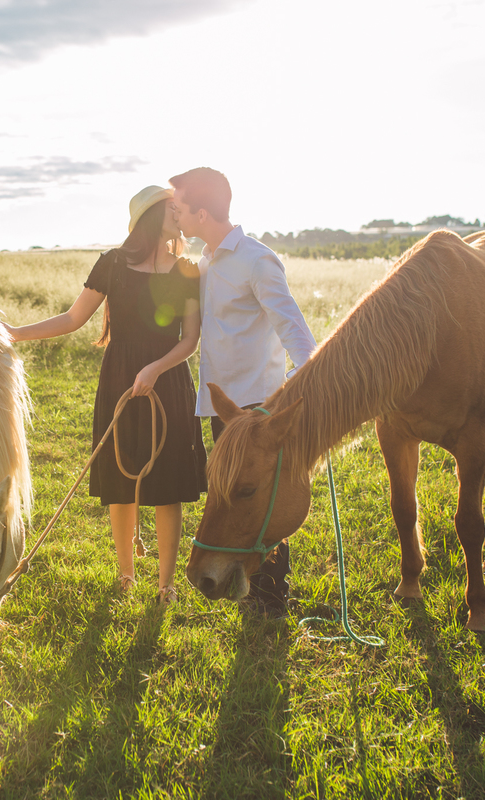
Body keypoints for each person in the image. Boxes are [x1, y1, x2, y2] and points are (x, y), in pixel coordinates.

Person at [5, 186, 207, 604]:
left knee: (168, 483)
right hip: (119, 377)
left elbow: (190, 340)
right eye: (171, 208)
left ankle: (165, 583)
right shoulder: (112, 264)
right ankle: (127, 575)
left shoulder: (186, 270)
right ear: (150, 216)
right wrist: (15, 334)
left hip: (166, 378)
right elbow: (74, 318)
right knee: (121, 475)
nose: (179, 213)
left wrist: (154, 368)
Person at [169, 167, 317, 618]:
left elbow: (289, 323)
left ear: (201, 211)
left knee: (264, 495)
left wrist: (314, 379)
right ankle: (246, 583)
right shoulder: (209, 260)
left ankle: (272, 598)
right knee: (235, 499)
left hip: (257, 405)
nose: (174, 215)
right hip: (224, 406)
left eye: (178, 207)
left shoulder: (257, 259)